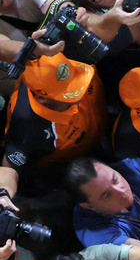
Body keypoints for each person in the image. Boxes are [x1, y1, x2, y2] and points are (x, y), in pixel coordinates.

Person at [2, 53, 106, 184]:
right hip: (72, 163)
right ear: (42, 99)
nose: (80, 87)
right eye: (67, 89)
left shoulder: (57, 61)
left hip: (102, 119)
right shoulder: (28, 128)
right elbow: (10, 168)